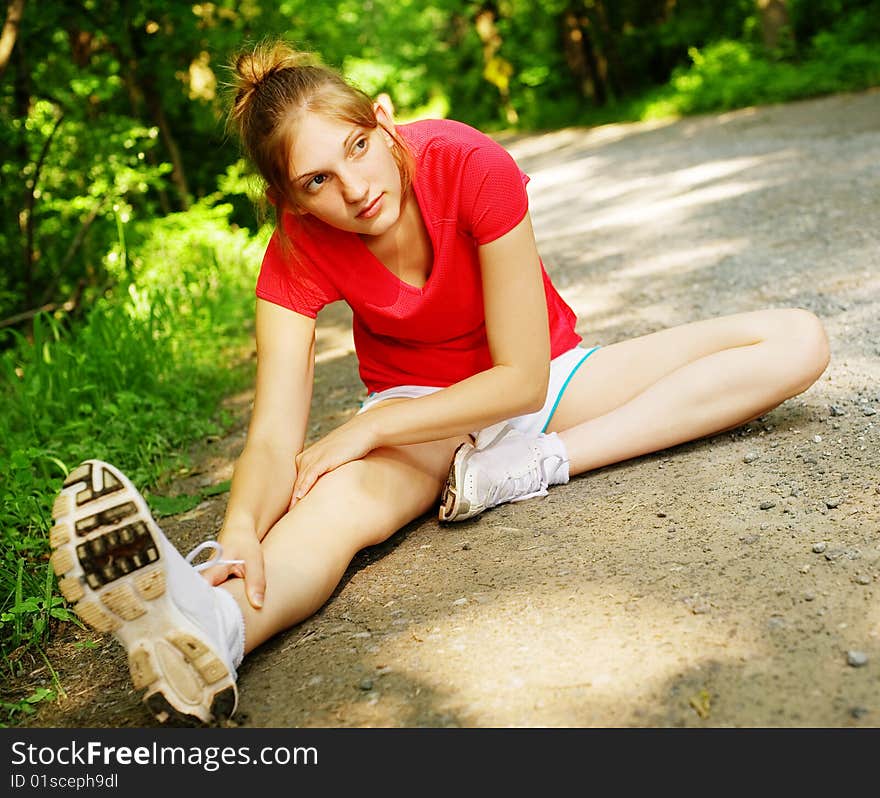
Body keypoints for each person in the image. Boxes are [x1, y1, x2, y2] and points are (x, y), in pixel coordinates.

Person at [48, 39, 830, 725]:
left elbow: (522, 380)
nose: (353, 188)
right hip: (422, 417)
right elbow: (274, 437)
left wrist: (368, 428)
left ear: (385, 121)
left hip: (548, 383)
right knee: (334, 510)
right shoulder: (295, 249)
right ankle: (211, 626)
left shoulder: (467, 161)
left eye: (357, 146)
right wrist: (245, 527)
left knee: (797, 340)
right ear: (290, 200)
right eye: (317, 181)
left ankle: (535, 466)